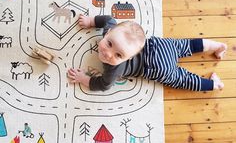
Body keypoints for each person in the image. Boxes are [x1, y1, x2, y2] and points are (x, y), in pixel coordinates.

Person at [68, 15, 227, 92]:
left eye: (119, 55)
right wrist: (91, 21)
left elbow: (103, 85)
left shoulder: (113, 69)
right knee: (188, 45)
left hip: (156, 68)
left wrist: (84, 79)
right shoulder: (111, 30)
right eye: (109, 44)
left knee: (183, 80)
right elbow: (108, 19)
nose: (108, 54)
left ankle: (215, 85)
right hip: (162, 46)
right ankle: (218, 46)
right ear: (108, 32)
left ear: (128, 58)